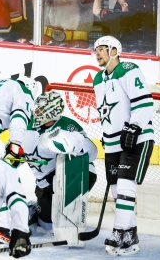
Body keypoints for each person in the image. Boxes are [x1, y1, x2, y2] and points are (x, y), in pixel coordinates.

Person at [92, 35, 155, 256]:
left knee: (126, 185)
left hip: (135, 137)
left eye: (102, 49)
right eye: (96, 50)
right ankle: (131, 233)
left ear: (114, 51)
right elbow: (107, 113)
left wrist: (134, 127)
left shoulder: (128, 69)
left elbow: (145, 102)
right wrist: (108, 135)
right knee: (118, 190)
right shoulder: (98, 80)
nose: (97, 53)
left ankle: (118, 231)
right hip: (113, 142)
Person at [22, 90, 97, 231]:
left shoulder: (68, 126)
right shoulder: (27, 126)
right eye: (38, 107)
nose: (37, 111)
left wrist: (74, 144)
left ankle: (71, 218)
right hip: (45, 182)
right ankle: (35, 208)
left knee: (64, 225)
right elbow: (15, 153)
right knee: (48, 226)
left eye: (42, 109)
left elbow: (92, 153)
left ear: (53, 111)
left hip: (75, 172)